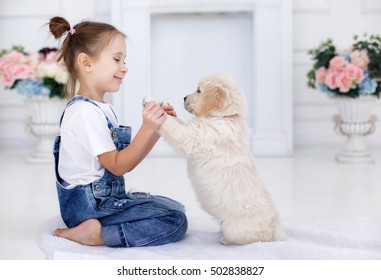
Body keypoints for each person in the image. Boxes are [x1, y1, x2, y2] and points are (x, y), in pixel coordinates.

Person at [48, 16, 188, 247]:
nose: (124, 68)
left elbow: (128, 161)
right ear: (86, 63)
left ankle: (100, 226)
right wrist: (147, 127)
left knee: (174, 207)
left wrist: (157, 129)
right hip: (88, 207)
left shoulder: (102, 109)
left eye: (124, 60)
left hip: (104, 198)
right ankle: (96, 234)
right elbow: (118, 165)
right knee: (175, 220)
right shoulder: (84, 113)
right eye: (117, 59)